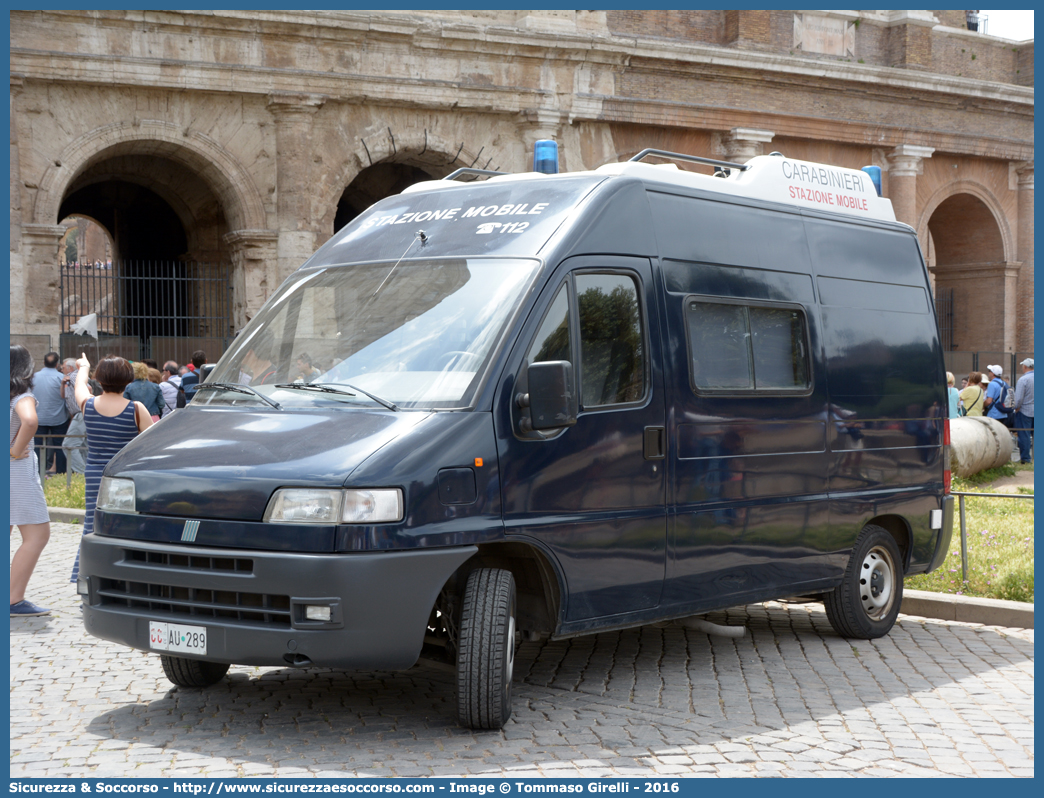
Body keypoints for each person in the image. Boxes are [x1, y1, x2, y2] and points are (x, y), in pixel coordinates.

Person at [70, 354, 153, 582]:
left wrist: (84, 366)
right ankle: (121, 579)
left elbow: (78, 385)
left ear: (99, 379)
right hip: (124, 478)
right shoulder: (136, 409)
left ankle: (87, 581)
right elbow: (152, 446)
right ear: (128, 380)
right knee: (123, 527)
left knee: (92, 526)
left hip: (95, 476)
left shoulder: (88, 405)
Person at [9, 346, 52, 616]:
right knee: (38, 534)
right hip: (17, 472)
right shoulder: (22, 396)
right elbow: (30, 421)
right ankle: (13, 599)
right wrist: (15, 449)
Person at [33, 352, 69, 476]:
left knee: (37, 447)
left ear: (43, 362)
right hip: (58, 419)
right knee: (60, 447)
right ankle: (61, 474)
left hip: (38, 418)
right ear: (57, 364)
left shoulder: (33, 377)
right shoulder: (61, 378)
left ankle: (37, 473)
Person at [60, 357, 87, 474]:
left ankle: (82, 473)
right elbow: (63, 396)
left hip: (81, 414)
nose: (61, 369)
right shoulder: (68, 378)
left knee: (69, 445)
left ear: (70, 368)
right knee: (83, 446)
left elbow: (87, 387)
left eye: (63, 367)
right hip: (80, 414)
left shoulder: (74, 375)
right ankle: (87, 473)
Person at [1013, 358, 1034, 465]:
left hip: (1025, 410)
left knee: (1024, 435)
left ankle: (1026, 459)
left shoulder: (1023, 380)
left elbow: (1019, 398)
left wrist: (1016, 407)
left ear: (1025, 366)